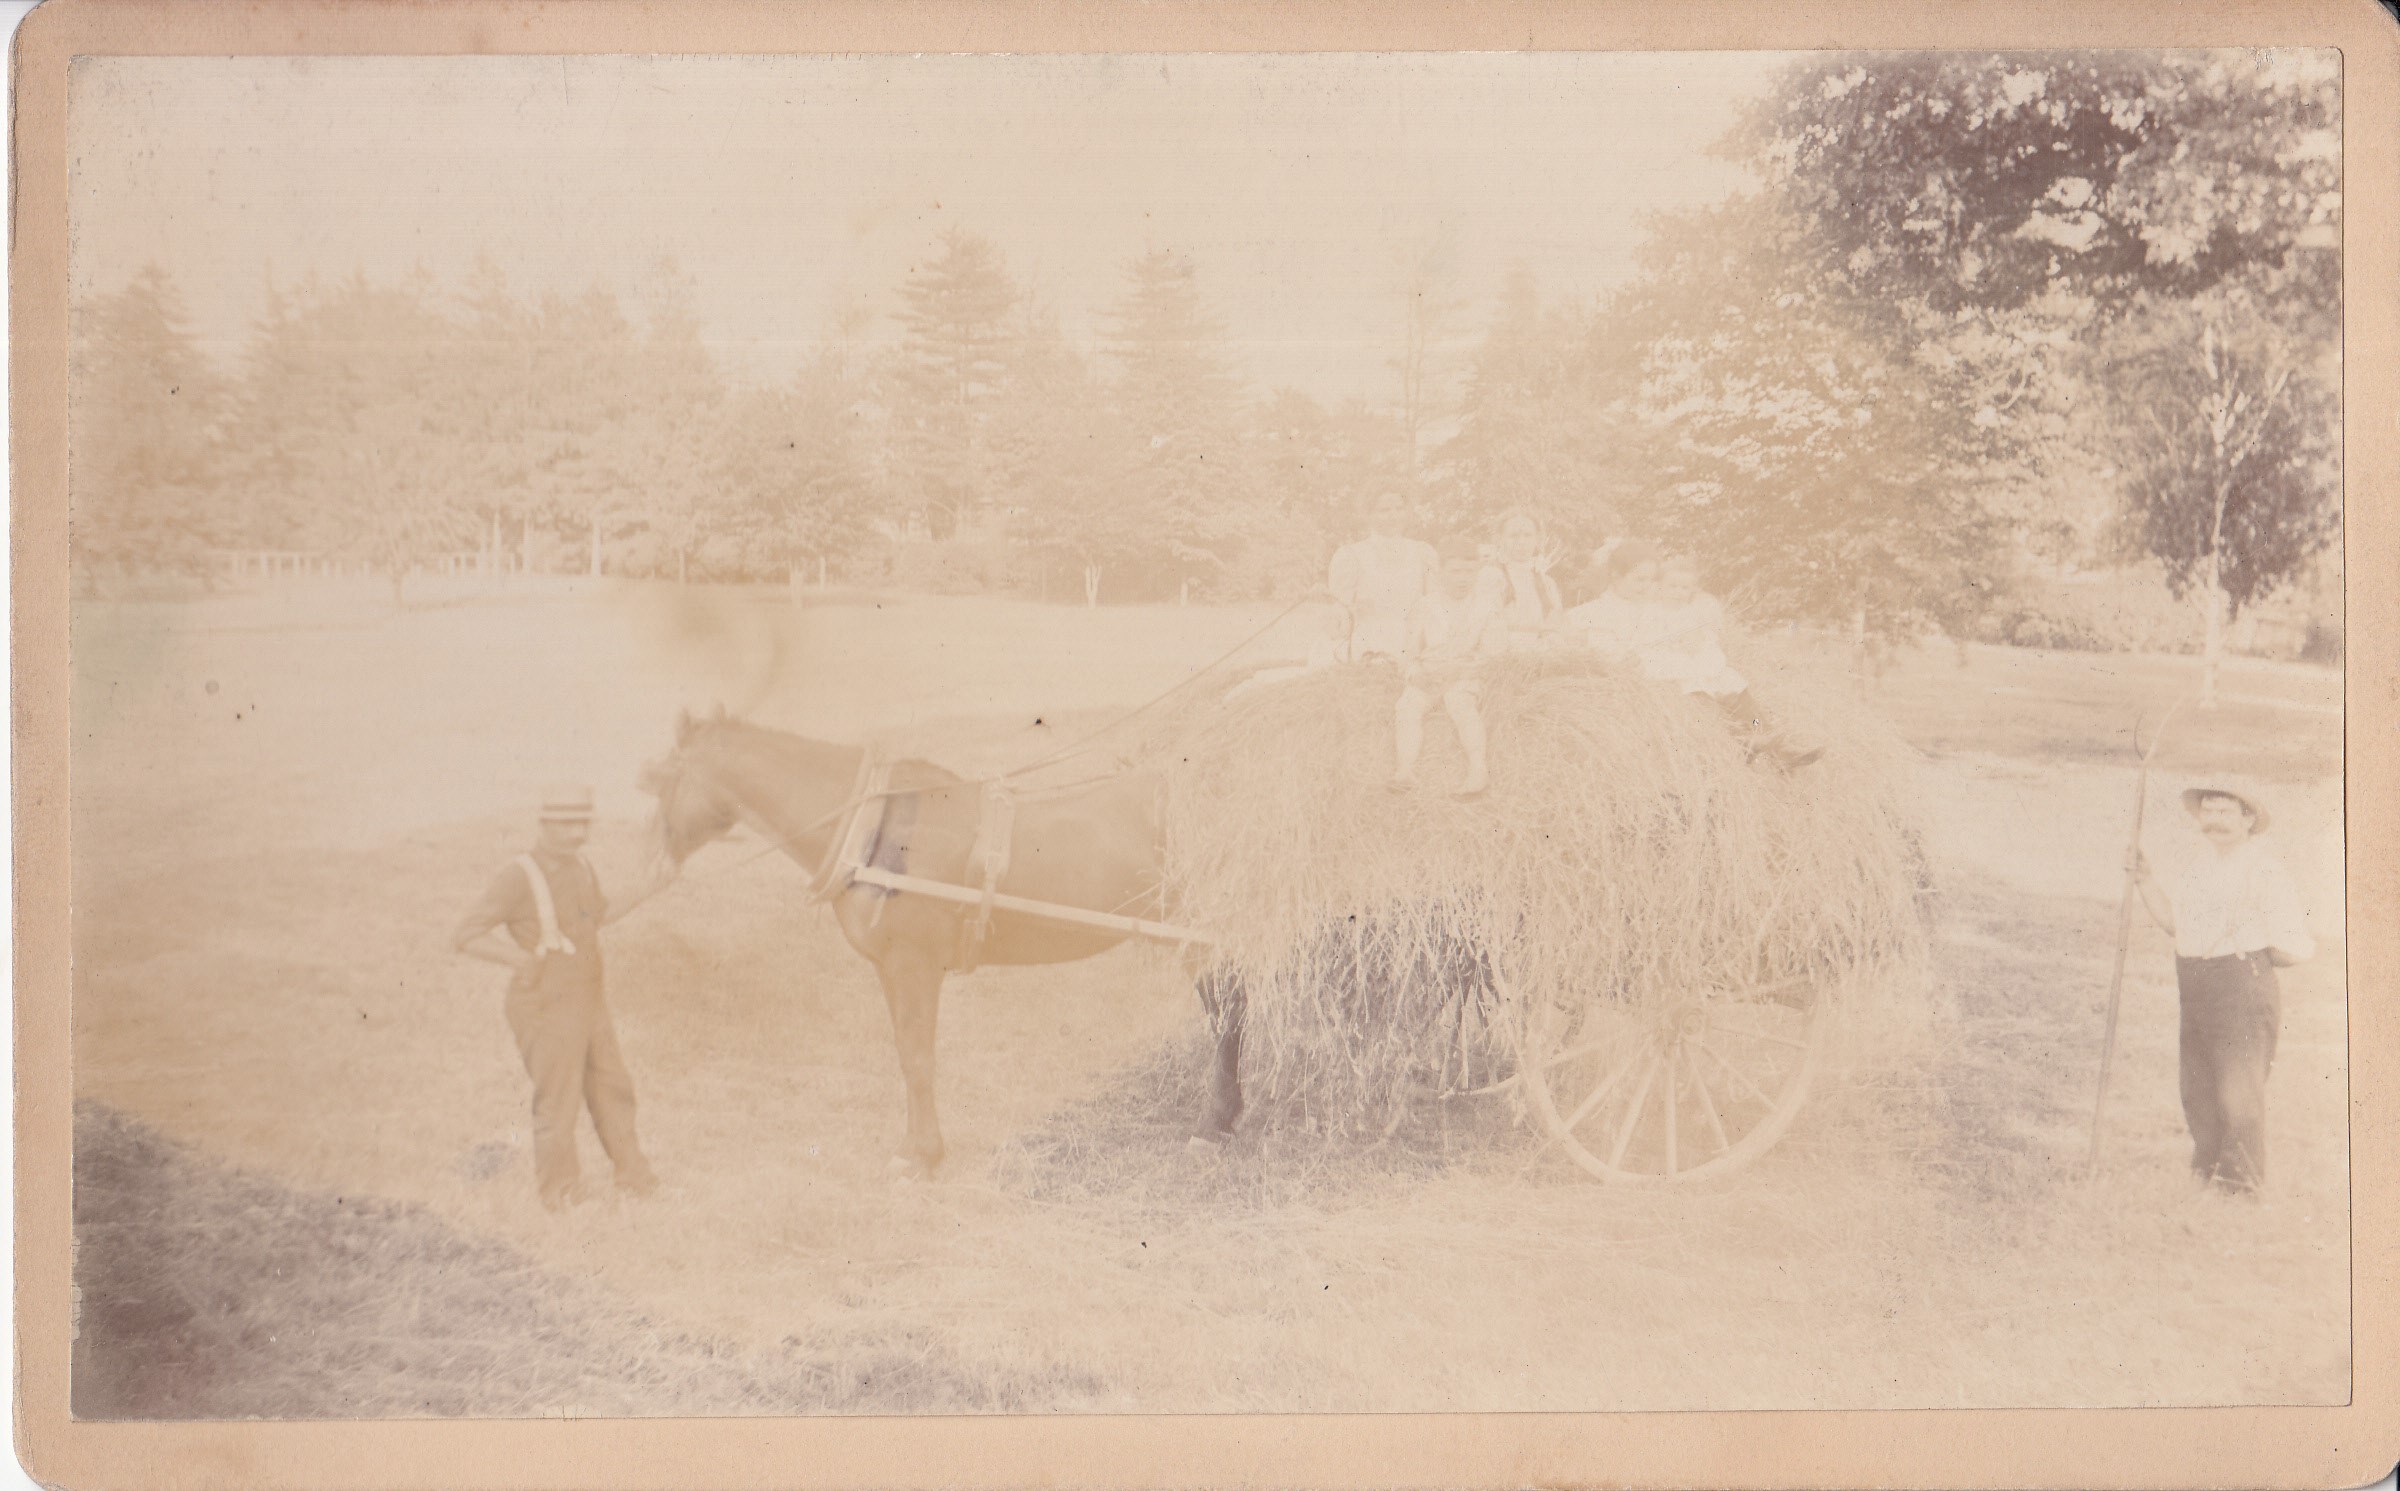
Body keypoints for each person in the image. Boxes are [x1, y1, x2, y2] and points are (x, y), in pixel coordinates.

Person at [453, 785, 679, 1210]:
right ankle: (560, 1193)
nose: (577, 833)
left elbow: (600, 915)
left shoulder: (580, 867)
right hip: (544, 1003)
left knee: (613, 1086)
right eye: (566, 824)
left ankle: (635, 1178)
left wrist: (651, 887)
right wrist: (520, 961)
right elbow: (465, 935)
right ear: (544, 824)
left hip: (588, 999)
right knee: (558, 1098)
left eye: (583, 823)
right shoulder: (518, 875)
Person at [2130, 781, 2316, 1194]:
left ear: (2247, 820)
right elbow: (2175, 925)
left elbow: (2293, 945)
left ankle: (2241, 1186)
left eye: (2224, 812)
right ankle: (2207, 1169)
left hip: (2240, 986)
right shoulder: (2199, 869)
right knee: (2197, 1084)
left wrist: (2247, 962)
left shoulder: (2263, 870)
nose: (2214, 821)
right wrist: (2145, 880)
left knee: (2238, 1089)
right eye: (2208, 812)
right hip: (2195, 982)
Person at [1326, 491, 1480, 795]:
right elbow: (1341, 606)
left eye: (1398, 508)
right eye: (1384, 509)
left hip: (1416, 634)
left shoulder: (1421, 552)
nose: (1392, 515)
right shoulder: (1352, 554)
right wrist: (1345, 610)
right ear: (1368, 513)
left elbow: (1436, 599)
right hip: (1373, 636)